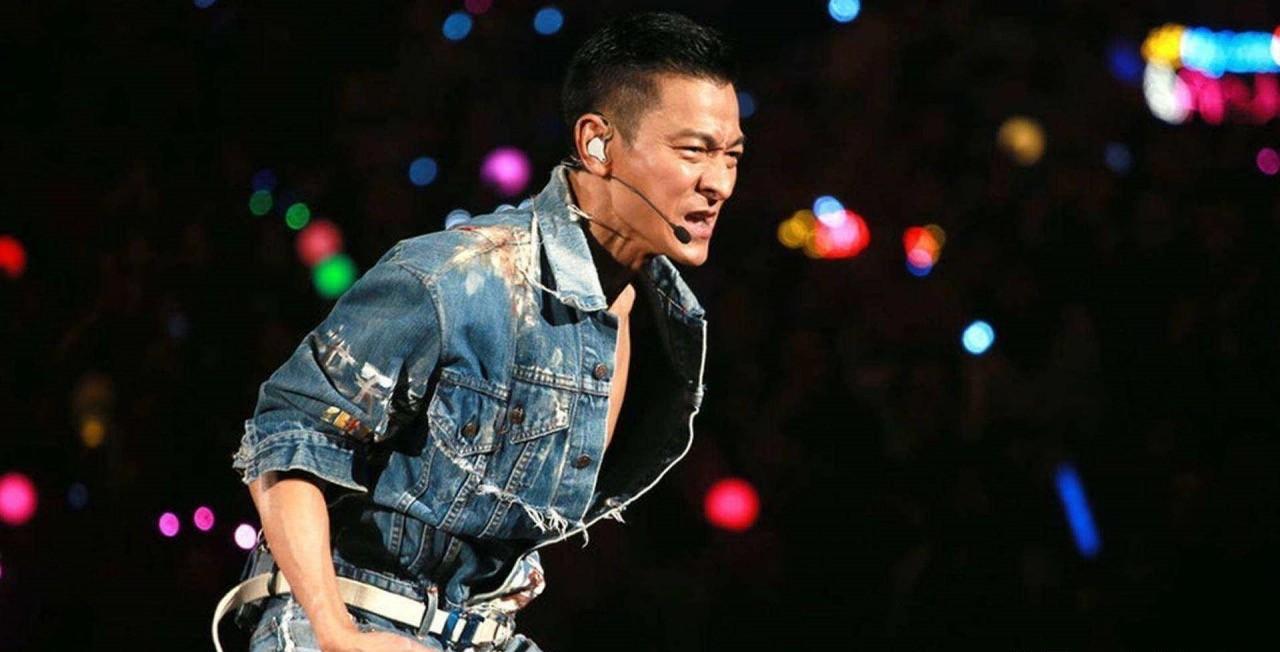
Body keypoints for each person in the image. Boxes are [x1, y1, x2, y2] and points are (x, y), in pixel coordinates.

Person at [212, 11, 744, 651]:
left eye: (732, 157)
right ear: (597, 145)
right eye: (693, 151)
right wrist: (335, 631)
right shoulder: (457, 275)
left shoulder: (670, 319)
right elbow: (288, 434)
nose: (718, 183)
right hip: (352, 619)